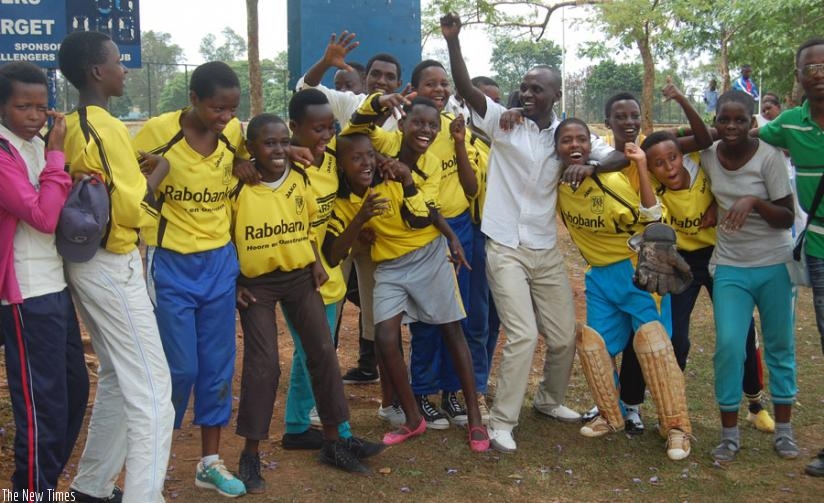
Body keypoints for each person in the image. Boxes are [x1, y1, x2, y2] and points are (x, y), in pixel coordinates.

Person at [442, 12, 629, 453]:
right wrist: (453, 42)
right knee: (523, 333)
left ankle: (548, 400)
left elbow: (618, 156)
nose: (526, 94)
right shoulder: (504, 123)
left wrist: (590, 165)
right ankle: (502, 421)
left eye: (536, 89)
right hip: (504, 245)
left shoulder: (568, 136)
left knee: (563, 335)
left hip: (543, 247)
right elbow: (466, 89)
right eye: (524, 87)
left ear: (555, 95)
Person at [231, 114, 383, 489]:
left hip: (299, 276)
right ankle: (250, 454)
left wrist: (315, 262)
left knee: (323, 353)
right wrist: (233, 282)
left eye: (283, 142)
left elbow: (306, 224)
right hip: (257, 284)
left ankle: (333, 442)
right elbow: (223, 238)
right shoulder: (238, 185)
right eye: (269, 143)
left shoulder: (298, 176)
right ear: (250, 148)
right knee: (264, 365)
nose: (278, 149)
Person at [57, 30, 174, 503]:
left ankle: (92, 486)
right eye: (117, 61)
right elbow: (128, 207)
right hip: (109, 263)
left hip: (92, 261)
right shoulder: (100, 126)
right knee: (154, 393)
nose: (124, 69)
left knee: (116, 375)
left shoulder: (74, 124)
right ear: (96, 71)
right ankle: (144, 495)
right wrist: (159, 175)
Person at [324, 126, 488, 452]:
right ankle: (413, 419)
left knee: (451, 330)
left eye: (370, 155)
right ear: (341, 165)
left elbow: (428, 213)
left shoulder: (391, 178)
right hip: (390, 265)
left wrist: (452, 238)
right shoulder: (343, 202)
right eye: (356, 158)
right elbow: (332, 254)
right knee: (384, 337)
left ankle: (475, 418)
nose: (366, 163)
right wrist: (360, 219)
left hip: (428, 254)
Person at [133, 61, 246, 497]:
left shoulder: (232, 135)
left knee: (217, 369)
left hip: (219, 263)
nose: (226, 117)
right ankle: (153, 466)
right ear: (193, 99)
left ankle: (209, 463)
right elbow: (127, 190)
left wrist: (250, 162)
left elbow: (253, 156)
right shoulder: (156, 134)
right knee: (179, 369)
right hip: (171, 265)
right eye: (218, 108)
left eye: (233, 109)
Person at [553, 118, 692, 460]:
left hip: (635, 273)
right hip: (598, 277)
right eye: (566, 140)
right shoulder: (557, 185)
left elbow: (651, 215)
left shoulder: (609, 180)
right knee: (595, 348)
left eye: (581, 139)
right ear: (555, 148)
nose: (574, 146)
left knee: (655, 346)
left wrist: (641, 167)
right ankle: (610, 415)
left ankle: (677, 428)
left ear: (591, 145)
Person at [639, 81, 774, 433]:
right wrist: (641, 163)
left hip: (720, 256)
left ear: (682, 155)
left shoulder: (701, 162)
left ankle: (755, 402)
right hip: (681, 264)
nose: (669, 167)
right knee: (677, 338)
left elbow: (702, 137)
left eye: (672, 158)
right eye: (658, 164)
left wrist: (681, 99)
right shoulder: (653, 187)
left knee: (742, 331)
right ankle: (673, 409)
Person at [0, 61, 89, 498]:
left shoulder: (35, 146)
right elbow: (41, 216)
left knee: (74, 390)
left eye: (42, 106)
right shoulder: (3, 154)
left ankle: (41, 485)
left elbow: (52, 195)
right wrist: (57, 156)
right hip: (26, 294)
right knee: (42, 407)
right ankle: (31, 492)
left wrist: (72, 176)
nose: (35, 115)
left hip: (55, 286)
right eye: (23, 107)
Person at [297, 32, 403, 389]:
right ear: (365, 78)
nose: (382, 81)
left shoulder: (403, 116)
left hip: (379, 221)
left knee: (376, 298)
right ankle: (321, 363)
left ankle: (370, 364)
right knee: (331, 290)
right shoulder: (351, 104)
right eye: (376, 74)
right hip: (339, 218)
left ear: (399, 82)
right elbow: (305, 91)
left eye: (390, 77)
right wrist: (325, 62)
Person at [702, 90, 797, 463]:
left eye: (739, 119)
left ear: (751, 122)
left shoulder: (769, 157)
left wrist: (754, 202)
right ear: (715, 122)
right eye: (723, 119)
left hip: (774, 264)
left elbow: (787, 217)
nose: (731, 126)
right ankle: (729, 436)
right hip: (730, 266)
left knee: (779, 344)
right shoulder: (709, 155)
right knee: (729, 346)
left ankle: (785, 432)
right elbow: (676, 145)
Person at [755, 36, 824, 477]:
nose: (819, 74)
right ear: (799, 77)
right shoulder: (790, 124)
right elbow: (736, 135)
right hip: (819, 247)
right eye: (810, 68)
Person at [406, 59, 480, 429]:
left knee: (457, 314)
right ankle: (421, 391)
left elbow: (471, 188)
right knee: (426, 317)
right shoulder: (406, 129)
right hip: (423, 231)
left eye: (444, 83)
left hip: (459, 228)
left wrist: (459, 143)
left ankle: (452, 390)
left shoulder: (454, 126)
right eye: (430, 84)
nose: (439, 90)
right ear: (414, 89)